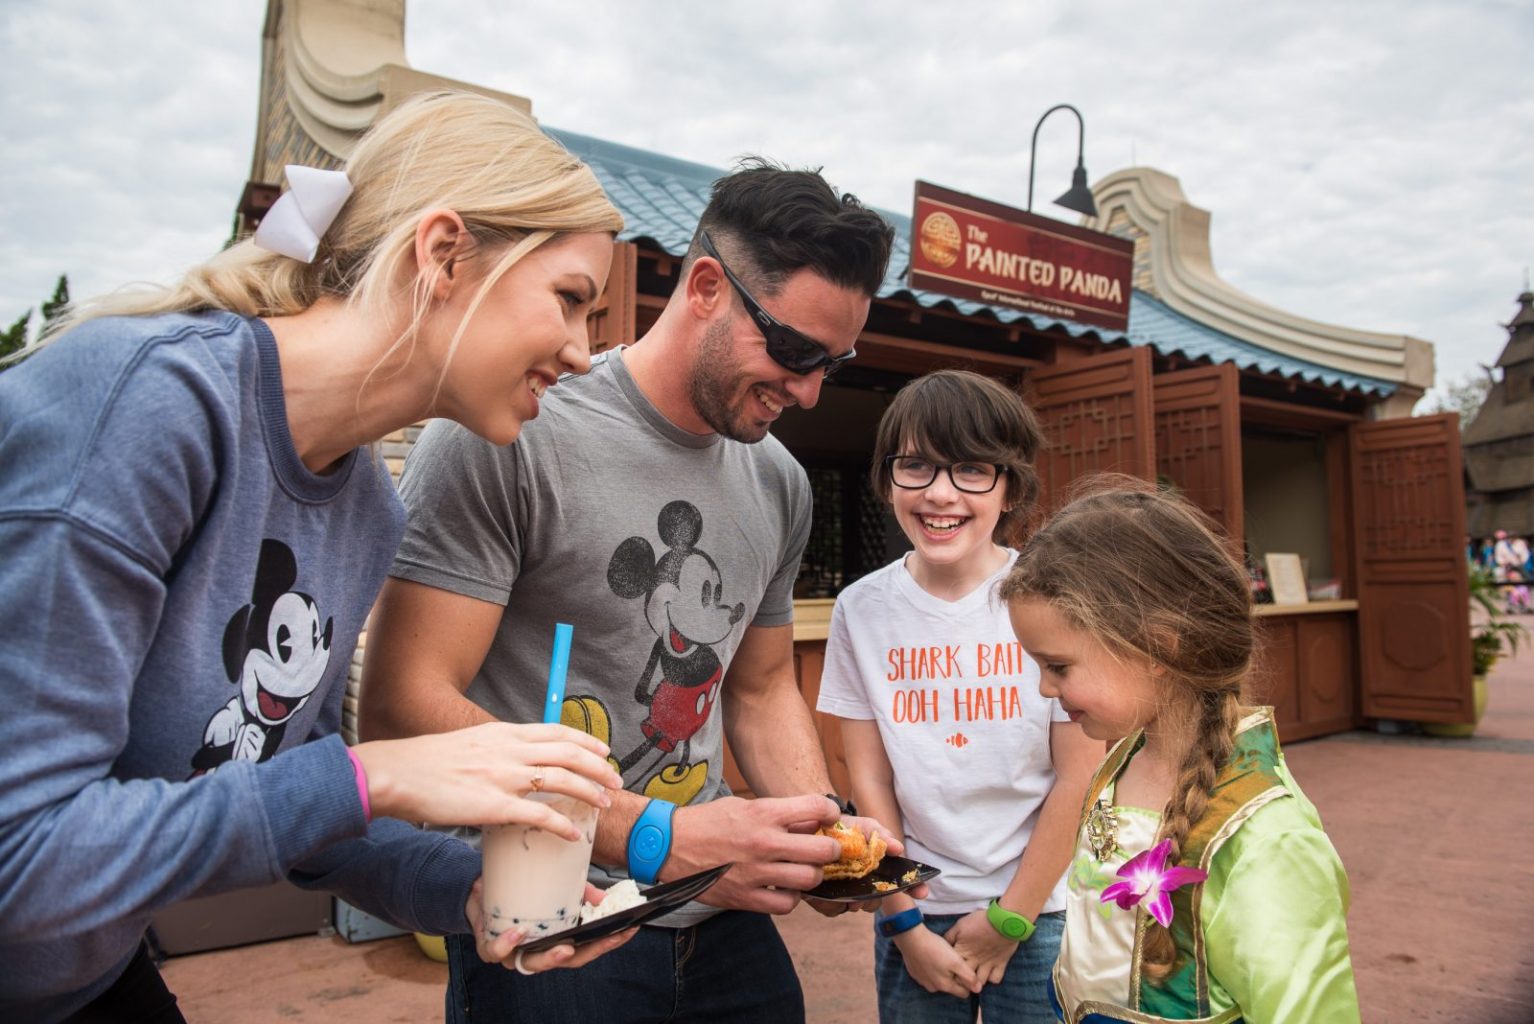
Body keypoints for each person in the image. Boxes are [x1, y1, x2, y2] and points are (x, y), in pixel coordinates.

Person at [0, 91, 639, 1024]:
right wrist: (383, 772)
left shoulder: (366, 509)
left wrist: (472, 896)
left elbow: (299, 810)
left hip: (77, 977)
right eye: (571, 299)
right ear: (444, 253)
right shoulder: (145, 406)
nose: (585, 355)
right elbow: (20, 859)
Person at [358, 160, 902, 1022]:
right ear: (708, 288)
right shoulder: (514, 430)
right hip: (549, 916)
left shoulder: (781, 484)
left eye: (831, 363)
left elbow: (757, 689)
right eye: (794, 350)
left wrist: (820, 832)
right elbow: (402, 704)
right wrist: (655, 835)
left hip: (719, 922)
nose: (807, 391)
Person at [1000, 480, 1361, 1024]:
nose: (1045, 690)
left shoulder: (1266, 838)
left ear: (1159, 646)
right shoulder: (1119, 762)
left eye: (1059, 667)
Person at [815, 370, 1103, 1023]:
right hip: (915, 912)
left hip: (1039, 914)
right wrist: (904, 924)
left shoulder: (1051, 599)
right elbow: (870, 779)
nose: (940, 493)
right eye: (915, 466)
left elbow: (1077, 775)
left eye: (971, 469)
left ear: (1011, 488)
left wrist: (1012, 918)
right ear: (888, 480)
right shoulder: (860, 611)